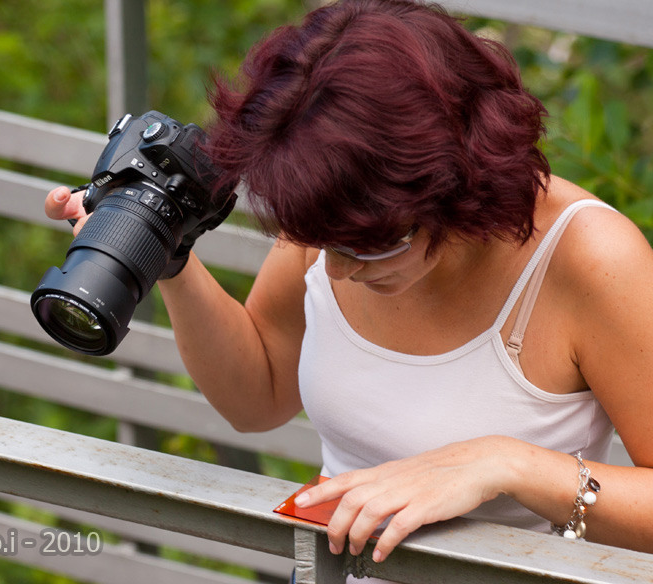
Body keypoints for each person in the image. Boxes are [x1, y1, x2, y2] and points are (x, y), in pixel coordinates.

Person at [45, 0, 653, 574]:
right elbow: (258, 397)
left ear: (457, 182)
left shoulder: (590, 258)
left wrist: (508, 464)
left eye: (365, 247)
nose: (333, 271)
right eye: (319, 242)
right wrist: (170, 256)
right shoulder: (335, 209)